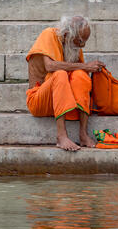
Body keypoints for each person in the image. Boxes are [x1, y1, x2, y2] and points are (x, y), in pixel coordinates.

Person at [26, 16, 106, 151]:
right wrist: (85, 66)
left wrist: (89, 68)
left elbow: (80, 72)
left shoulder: (73, 45)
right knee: (60, 74)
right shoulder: (49, 34)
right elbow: (50, 66)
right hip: (39, 101)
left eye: (85, 41)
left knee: (80, 75)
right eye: (80, 41)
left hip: (64, 103)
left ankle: (83, 134)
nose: (82, 46)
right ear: (67, 34)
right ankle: (61, 136)